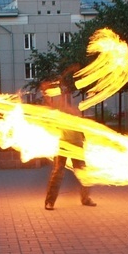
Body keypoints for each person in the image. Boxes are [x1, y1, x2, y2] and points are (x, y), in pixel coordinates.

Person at [41, 81, 96, 210]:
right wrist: (46, 91)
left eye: (68, 92)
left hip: (77, 144)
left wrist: (83, 140)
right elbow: (49, 105)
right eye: (65, 92)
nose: (67, 94)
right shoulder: (59, 106)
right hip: (64, 144)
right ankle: (49, 202)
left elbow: (80, 126)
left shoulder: (75, 108)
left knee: (83, 172)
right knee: (58, 173)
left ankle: (85, 198)